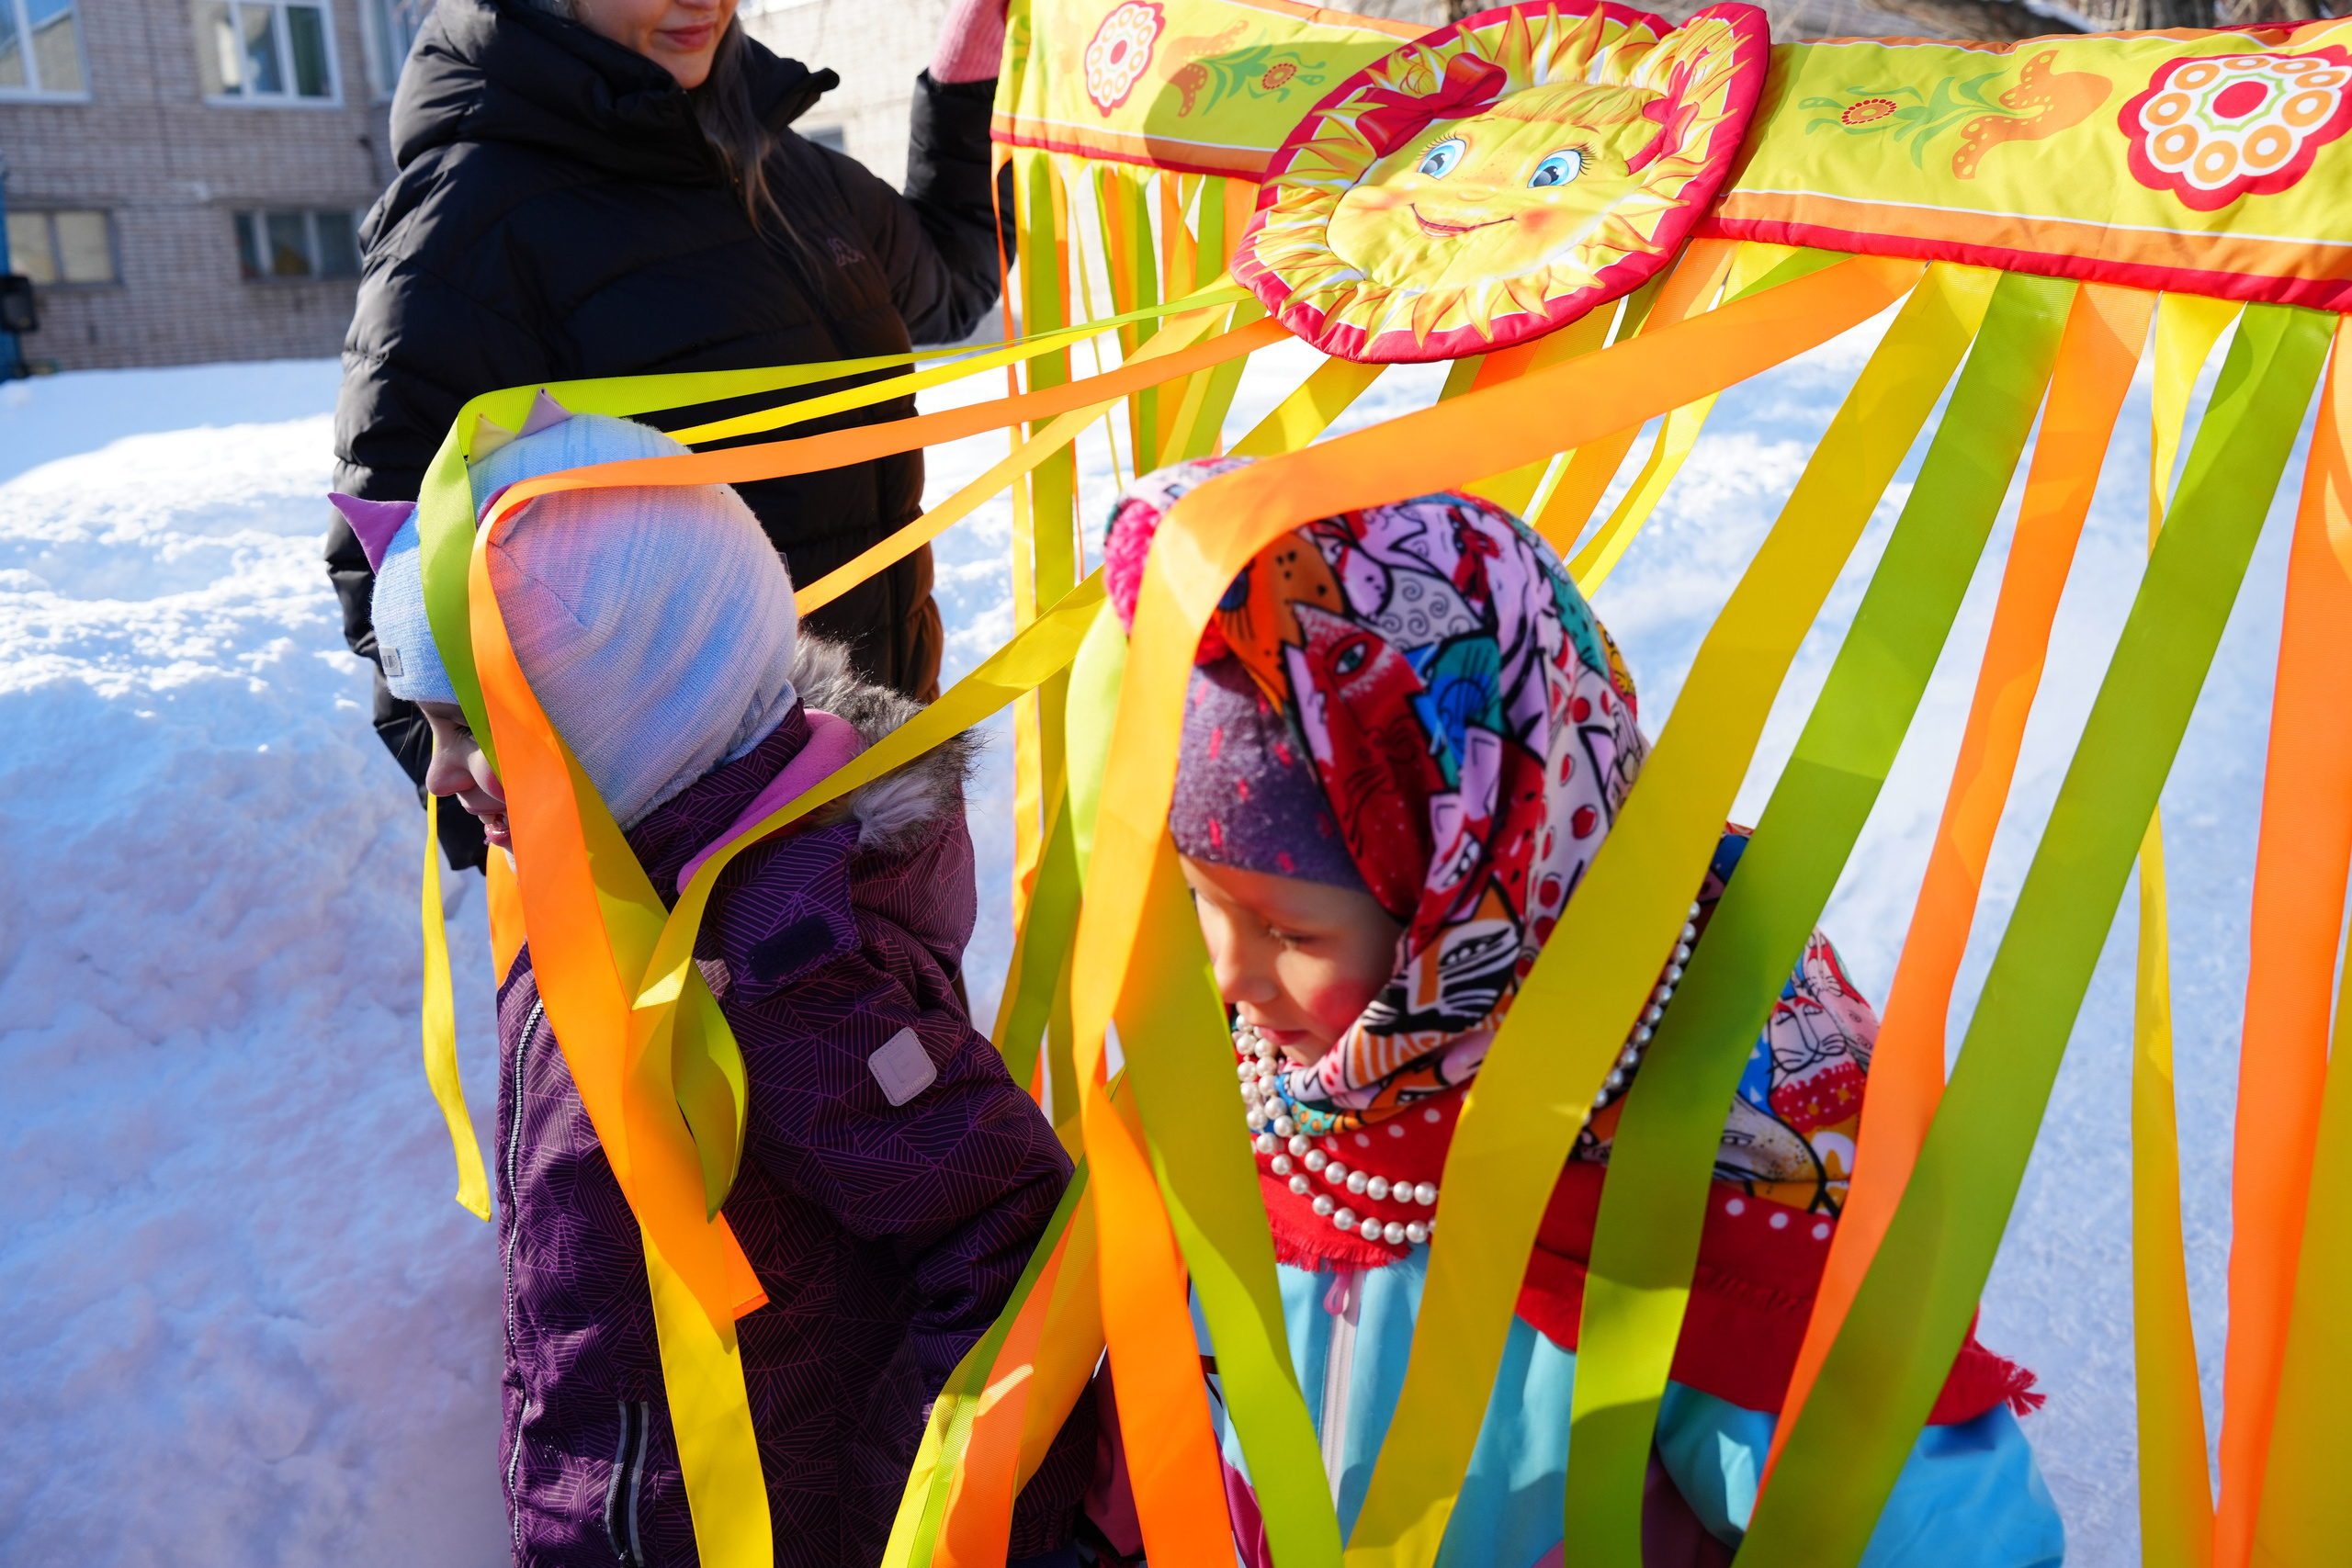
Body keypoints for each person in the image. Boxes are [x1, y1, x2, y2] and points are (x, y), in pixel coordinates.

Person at [1092, 457, 2065, 1568]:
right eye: (1199, 899)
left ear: (1468, 890)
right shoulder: (1272, 1065)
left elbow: (1926, 1529)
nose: (1227, 975)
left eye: (1290, 932)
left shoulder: (1708, 1159)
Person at [338, 405, 1092, 1564]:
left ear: (622, 709)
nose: (439, 776)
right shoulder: (628, 877)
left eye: (469, 728)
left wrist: (926, 1534)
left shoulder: (783, 968)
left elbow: (1005, 1234)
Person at [330, 0, 1015, 872]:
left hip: (878, 790)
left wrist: (965, 80)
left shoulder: (790, 171)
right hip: (689, 853)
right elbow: (400, 574)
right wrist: (558, 856)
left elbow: (950, 279)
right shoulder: (471, 220)